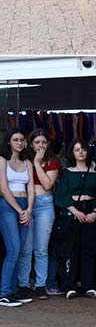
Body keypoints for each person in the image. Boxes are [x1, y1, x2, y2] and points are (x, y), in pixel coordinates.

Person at [57, 139, 96, 299]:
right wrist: (75, 211)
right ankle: (70, 285)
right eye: (77, 149)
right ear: (73, 153)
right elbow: (61, 195)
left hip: (91, 210)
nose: (81, 152)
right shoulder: (67, 172)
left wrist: (95, 212)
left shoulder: (95, 173)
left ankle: (88, 285)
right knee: (71, 250)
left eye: (83, 149)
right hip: (72, 212)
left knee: (89, 250)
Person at [17, 130, 61, 299]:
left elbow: (47, 184)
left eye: (43, 142)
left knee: (41, 249)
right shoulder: (23, 162)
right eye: (37, 142)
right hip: (26, 204)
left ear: (47, 144)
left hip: (44, 205)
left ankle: (41, 284)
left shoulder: (52, 162)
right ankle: (24, 284)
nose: (40, 145)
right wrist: (32, 162)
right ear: (30, 144)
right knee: (26, 248)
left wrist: (36, 163)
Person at [0, 131, 34, 306]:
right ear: (9, 143)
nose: (20, 142)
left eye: (22, 140)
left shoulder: (27, 162)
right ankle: (4, 293)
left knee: (18, 250)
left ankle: (12, 291)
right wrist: (20, 210)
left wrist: (28, 209)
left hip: (23, 205)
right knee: (13, 249)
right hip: (7, 205)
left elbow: (31, 189)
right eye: (16, 140)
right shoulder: (2, 161)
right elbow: (4, 189)